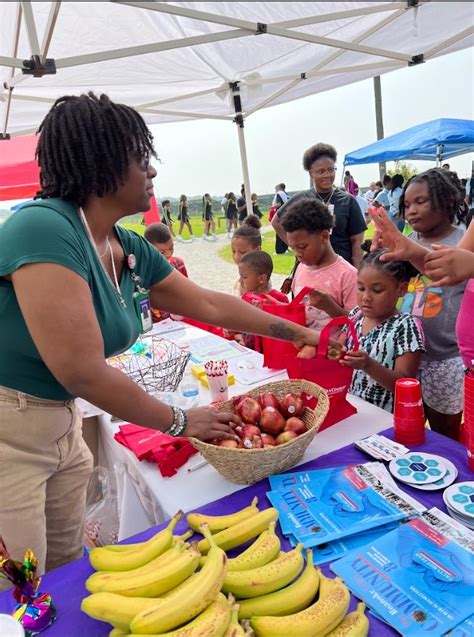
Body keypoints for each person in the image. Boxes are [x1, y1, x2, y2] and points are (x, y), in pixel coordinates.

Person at [0, 92, 322, 580]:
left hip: (61, 425)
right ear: (102, 162)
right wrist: (178, 421)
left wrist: (301, 331)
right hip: (11, 433)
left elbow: (211, 303)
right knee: (19, 589)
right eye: (140, 157)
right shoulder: (44, 228)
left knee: (64, 573)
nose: (151, 171)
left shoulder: (122, 243)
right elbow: (81, 369)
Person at [386, 169, 467, 438]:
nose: (411, 211)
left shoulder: (463, 242)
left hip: (446, 358)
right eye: (407, 204)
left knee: (445, 432)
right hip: (407, 355)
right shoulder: (406, 243)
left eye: (421, 202)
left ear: (445, 201)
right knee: (407, 426)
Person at [340, 249, 425, 413]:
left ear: (401, 289)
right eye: (360, 288)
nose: (366, 297)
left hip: (385, 418)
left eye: (377, 290)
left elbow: (404, 383)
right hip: (352, 407)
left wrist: (368, 364)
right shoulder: (355, 316)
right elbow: (338, 348)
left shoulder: (406, 327)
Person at [272, 143, 367, 267]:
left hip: (341, 270)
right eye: (321, 171)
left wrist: (356, 272)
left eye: (331, 170)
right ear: (311, 173)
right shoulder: (301, 199)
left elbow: (357, 241)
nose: (327, 175)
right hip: (309, 269)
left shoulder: (348, 201)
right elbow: (276, 222)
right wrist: (297, 248)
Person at [280, 198, 357, 331]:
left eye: (302, 247)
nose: (297, 254)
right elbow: (296, 310)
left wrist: (330, 307)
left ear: (324, 236)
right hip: (303, 348)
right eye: (293, 248)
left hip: (333, 349)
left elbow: (357, 326)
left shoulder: (348, 275)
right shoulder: (301, 268)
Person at [237, 251, 289, 350]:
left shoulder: (279, 299)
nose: (240, 281)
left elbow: (285, 332)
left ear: (261, 278)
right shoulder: (246, 297)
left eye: (244, 277)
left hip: (269, 354)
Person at [144, 222, 188, 322]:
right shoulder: (143, 272)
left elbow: (186, 293)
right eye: (162, 252)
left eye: (171, 248)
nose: (168, 254)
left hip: (178, 321)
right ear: (148, 249)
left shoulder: (178, 264)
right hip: (155, 324)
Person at [231, 225, 262, 295]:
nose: (236, 257)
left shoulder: (258, 280)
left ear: (257, 250)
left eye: (242, 252)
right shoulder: (242, 275)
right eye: (233, 251)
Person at [272, 183, 290, 255]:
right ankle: (286, 248)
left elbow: (279, 204)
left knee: (279, 232)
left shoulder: (279, 194)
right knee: (285, 231)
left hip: (280, 215)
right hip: (287, 214)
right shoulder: (286, 194)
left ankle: (280, 250)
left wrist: (272, 207)